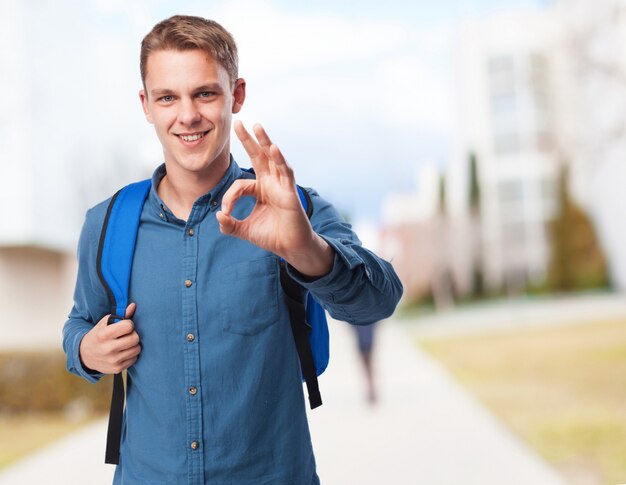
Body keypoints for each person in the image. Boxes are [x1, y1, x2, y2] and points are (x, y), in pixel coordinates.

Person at [62, 15, 402, 484]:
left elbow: (380, 299)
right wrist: (85, 349)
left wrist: (305, 249)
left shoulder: (292, 210)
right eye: (167, 97)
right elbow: (78, 323)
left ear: (236, 94)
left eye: (205, 93)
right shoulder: (107, 223)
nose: (187, 115)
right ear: (146, 104)